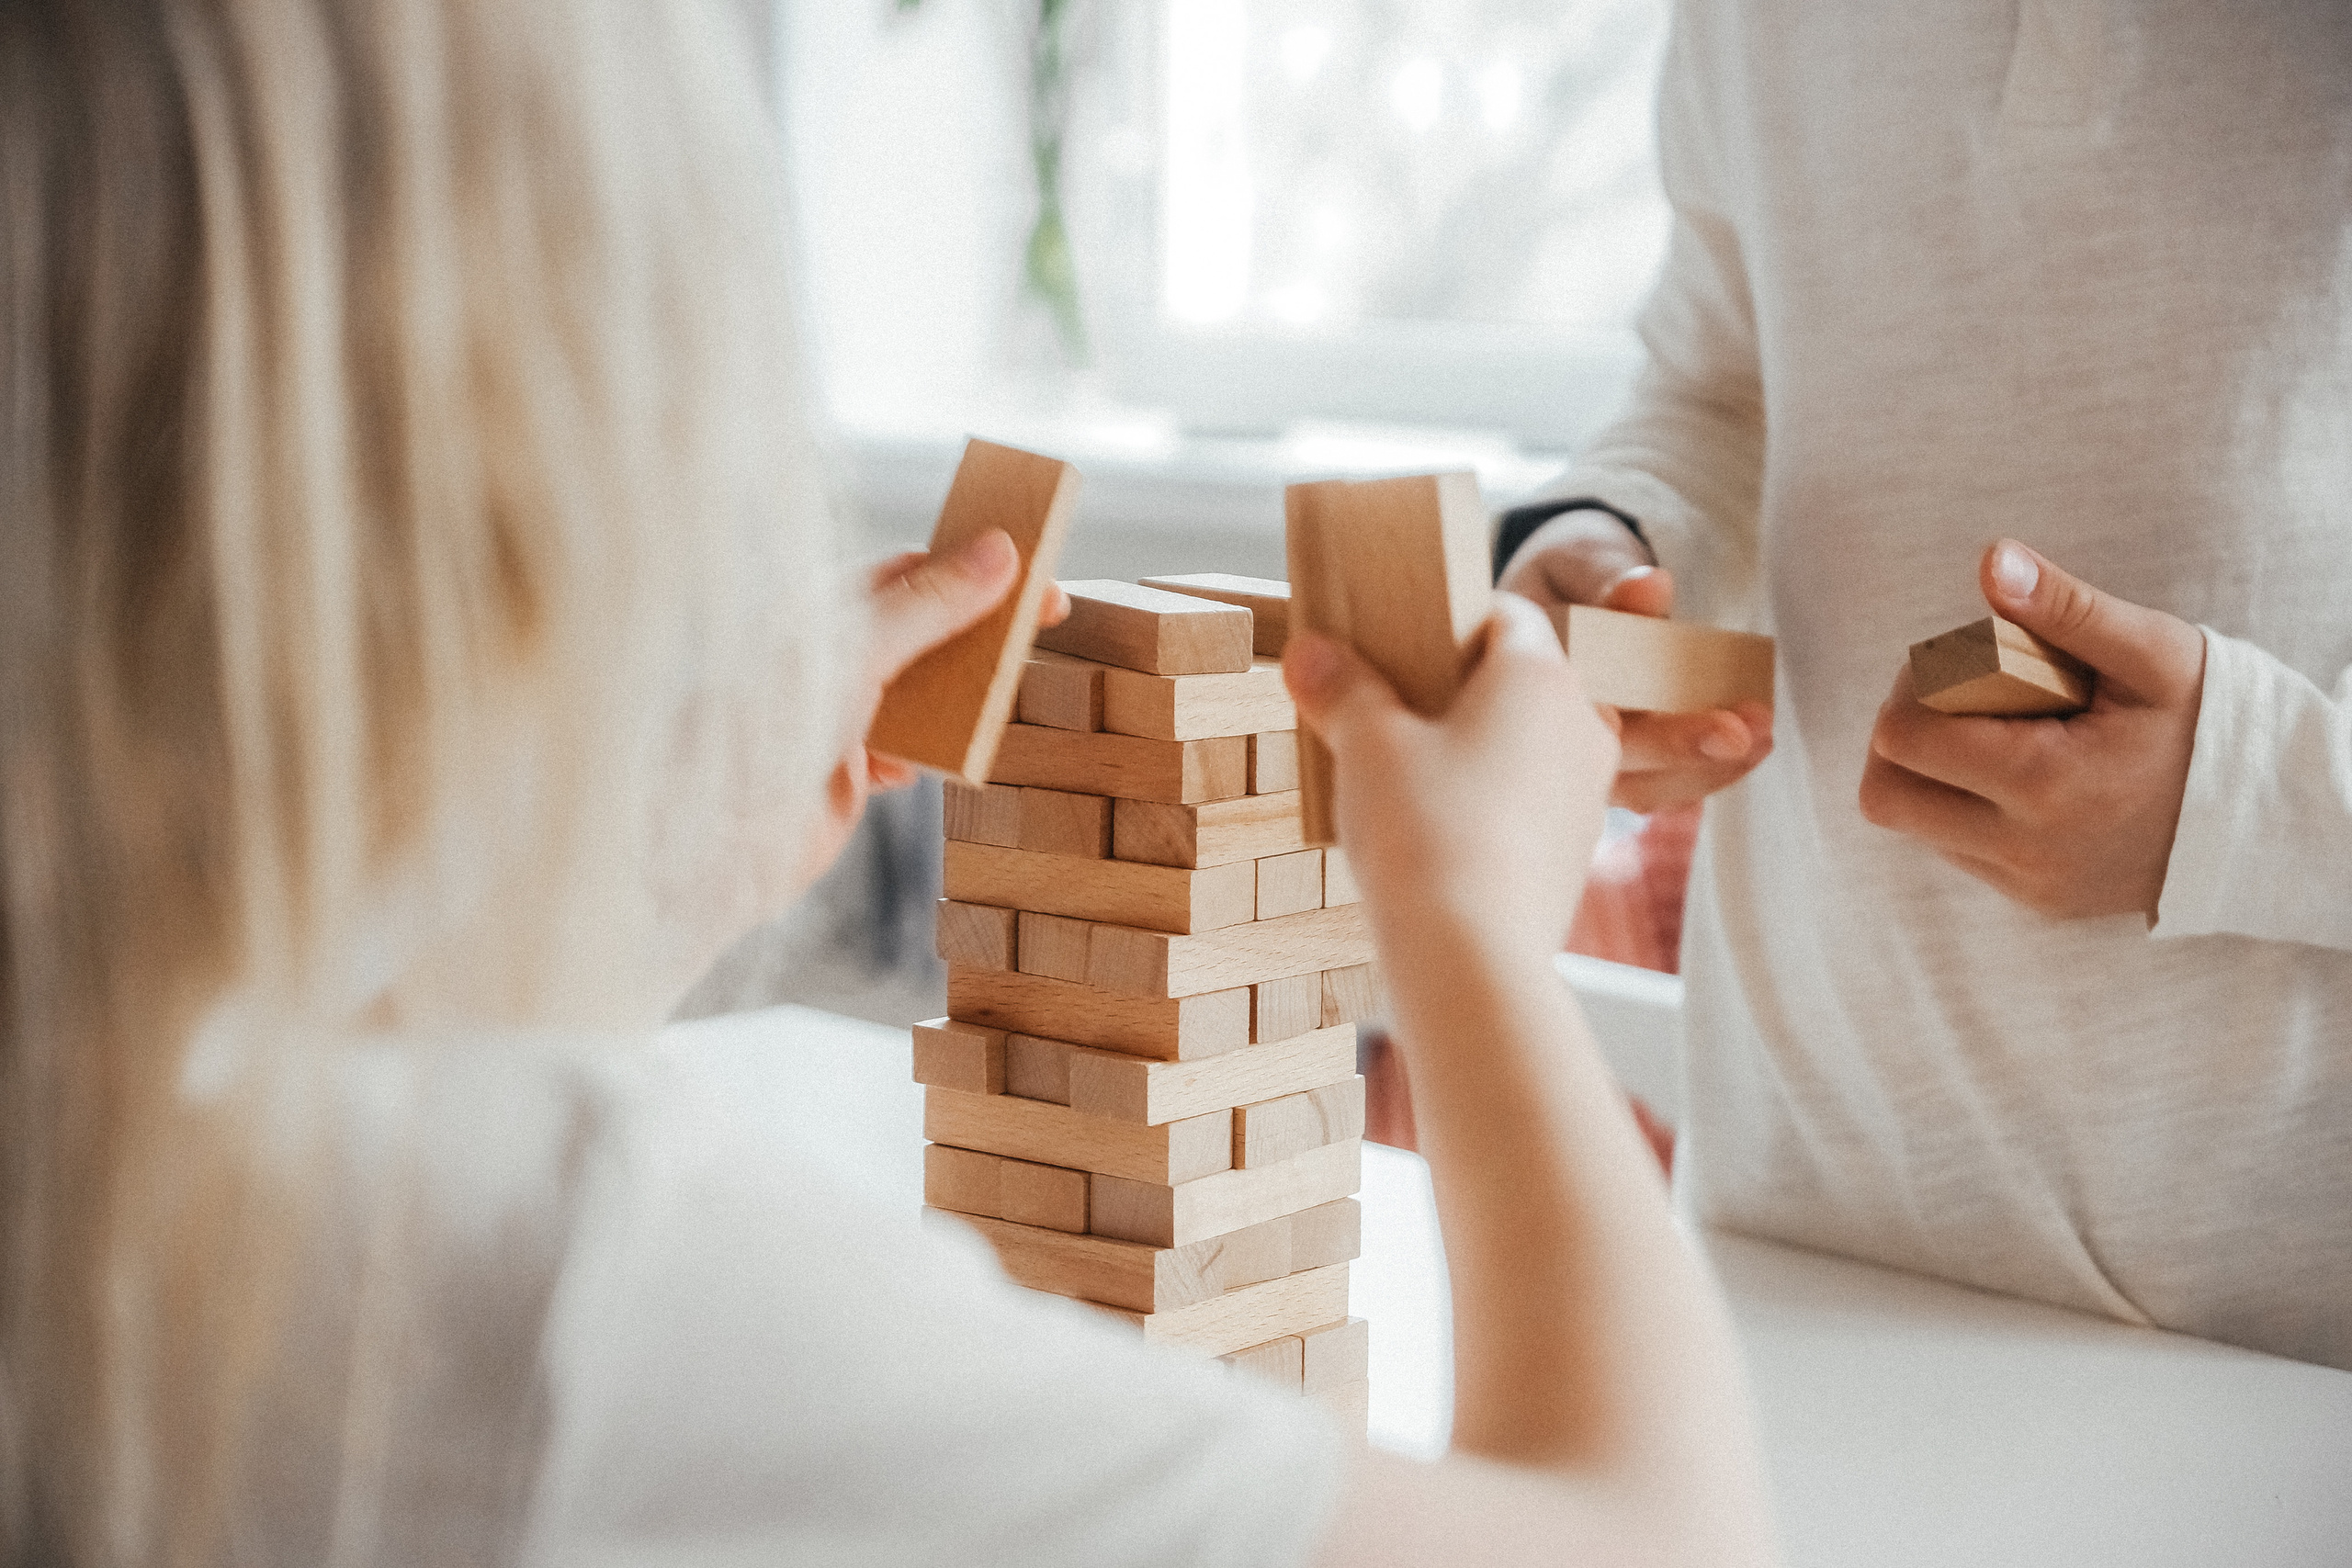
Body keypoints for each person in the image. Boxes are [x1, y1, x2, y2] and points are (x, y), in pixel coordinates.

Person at [0, 1, 1778, 1562]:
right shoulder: (576, 1286)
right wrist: (1467, 930)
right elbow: (1656, 1546)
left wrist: (645, 895)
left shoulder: (124, 1154)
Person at [1498, 0, 2352, 1369]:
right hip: (1786, 1237)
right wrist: (1619, 547)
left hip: (2278, 1337)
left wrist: (2256, 799)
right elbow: (1716, 382)